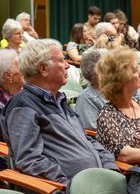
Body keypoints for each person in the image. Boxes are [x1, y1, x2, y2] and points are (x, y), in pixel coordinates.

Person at [0, 39, 118, 184]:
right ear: (43, 69)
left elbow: (87, 140)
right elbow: (29, 159)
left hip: (99, 181)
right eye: (61, 61)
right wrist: (66, 183)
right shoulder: (23, 105)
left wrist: (110, 168)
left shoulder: (58, 99)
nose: (68, 65)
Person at [76, 49, 108, 130]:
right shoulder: (86, 97)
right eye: (109, 65)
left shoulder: (115, 91)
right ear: (97, 72)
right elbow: (90, 132)